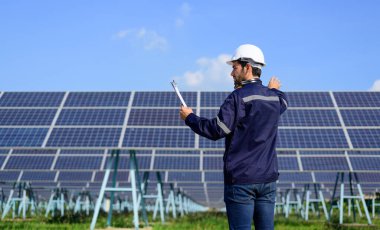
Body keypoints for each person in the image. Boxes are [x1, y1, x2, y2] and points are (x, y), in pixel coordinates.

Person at [179, 44, 288, 230]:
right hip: (268, 180)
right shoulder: (274, 99)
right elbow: (282, 100)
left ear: (247, 67)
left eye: (234, 67)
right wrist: (273, 89)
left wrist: (190, 117)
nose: (231, 74)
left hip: (241, 181)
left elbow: (216, 130)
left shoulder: (237, 98)